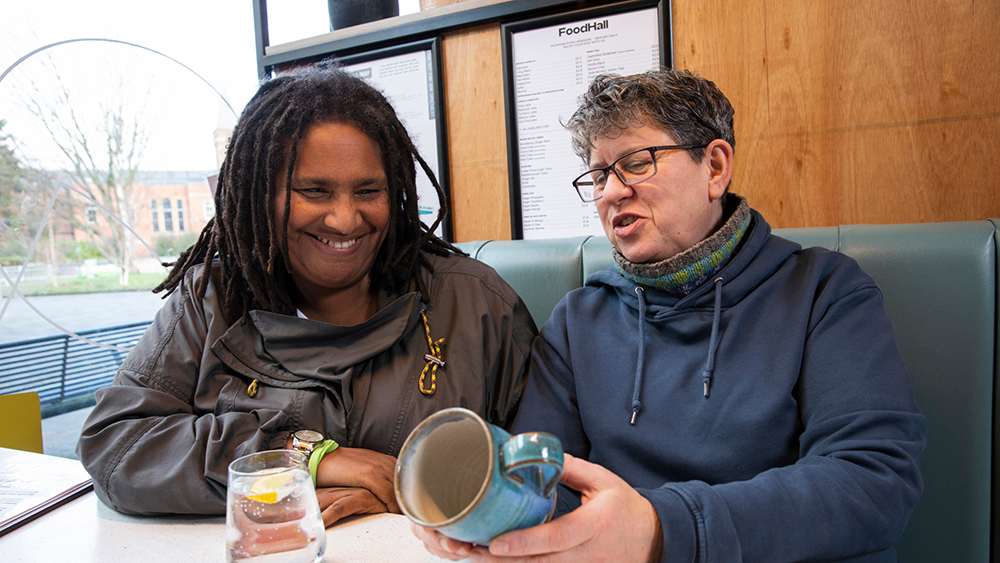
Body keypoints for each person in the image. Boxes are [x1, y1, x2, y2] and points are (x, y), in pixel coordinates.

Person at [414, 69, 926, 562]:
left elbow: (872, 484)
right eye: (598, 175)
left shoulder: (824, 290)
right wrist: (489, 516)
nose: (611, 192)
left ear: (716, 168)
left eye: (636, 163)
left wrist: (661, 530)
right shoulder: (578, 320)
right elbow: (549, 483)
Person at [76, 65, 537, 526]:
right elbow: (117, 445)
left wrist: (410, 492)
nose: (345, 219)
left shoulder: (477, 305)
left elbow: (542, 475)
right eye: (314, 191)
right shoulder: (210, 300)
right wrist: (301, 459)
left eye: (368, 190)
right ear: (261, 196)